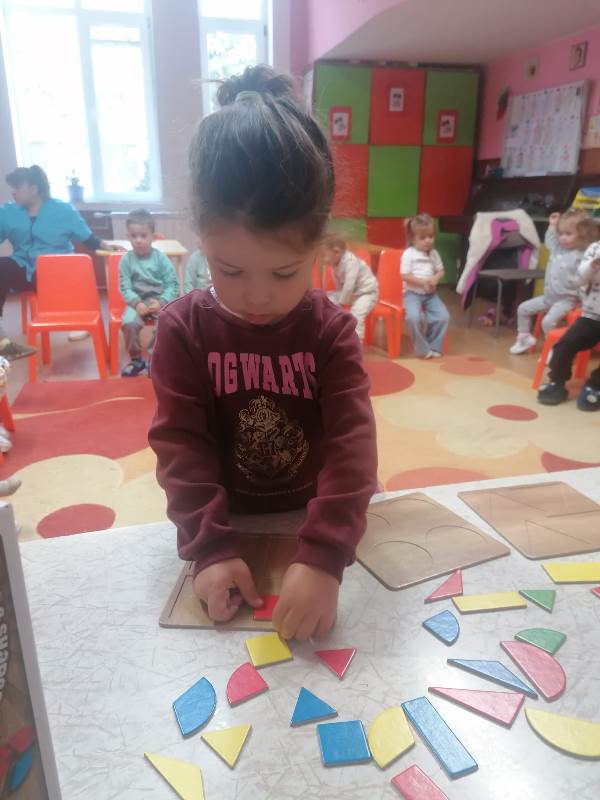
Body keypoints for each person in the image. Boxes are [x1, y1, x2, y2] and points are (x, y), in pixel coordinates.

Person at [148, 65, 378, 641]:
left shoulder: (331, 332)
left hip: (311, 522)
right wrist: (208, 547)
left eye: (283, 272)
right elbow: (181, 449)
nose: (257, 296)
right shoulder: (182, 331)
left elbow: (352, 448)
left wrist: (325, 554)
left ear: (320, 246)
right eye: (229, 270)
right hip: (225, 526)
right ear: (200, 236)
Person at [0, 165, 121, 359]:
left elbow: (87, 238)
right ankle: (2, 341)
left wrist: (105, 244)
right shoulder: (7, 212)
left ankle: (79, 320)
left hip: (55, 274)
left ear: (34, 188)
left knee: (64, 269)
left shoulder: (63, 210)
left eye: (18, 187)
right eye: (12, 187)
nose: (13, 192)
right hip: (23, 268)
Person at [509, 210, 596, 354]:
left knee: (547, 322)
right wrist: (552, 226)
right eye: (560, 234)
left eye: (568, 234)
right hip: (549, 297)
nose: (562, 238)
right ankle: (524, 338)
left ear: (582, 235)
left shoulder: (583, 255)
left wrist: (583, 299)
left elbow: (588, 278)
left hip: (567, 300)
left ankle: (556, 348)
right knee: (522, 309)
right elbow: (550, 239)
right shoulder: (557, 248)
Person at [538, 234, 600, 409]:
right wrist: (592, 265)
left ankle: (595, 386)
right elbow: (579, 279)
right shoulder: (595, 248)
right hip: (592, 316)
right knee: (564, 345)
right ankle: (557, 382)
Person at [118, 209, 179, 377]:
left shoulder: (161, 259)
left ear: (153, 236)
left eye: (143, 236)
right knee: (129, 323)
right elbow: (125, 287)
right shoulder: (126, 260)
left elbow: (173, 285)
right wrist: (137, 303)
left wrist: (162, 302)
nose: (138, 240)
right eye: (134, 236)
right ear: (128, 237)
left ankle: (155, 359)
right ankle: (136, 360)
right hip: (137, 302)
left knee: (166, 323)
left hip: (159, 301)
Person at [400, 213, 450, 358]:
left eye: (431, 236)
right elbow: (404, 275)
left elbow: (440, 271)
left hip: (430, 295)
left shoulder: (434, 253)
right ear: (412, 238)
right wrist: (423, 283)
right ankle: (422, 349)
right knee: (414, 318)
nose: (428, 240)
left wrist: (435, 279)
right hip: (412, 294)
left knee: (443, 317)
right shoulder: (408, 254)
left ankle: (434, 346)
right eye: (423, 238)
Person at [322, 235, 378, 342]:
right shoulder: (335, 263)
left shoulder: (351, 261)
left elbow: (349, 285)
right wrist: (335, 302)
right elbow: (339, 287)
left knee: (356, 316)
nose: (322, 259)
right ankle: (330, 336)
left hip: (366, 293)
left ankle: (356, 344)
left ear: (336, 252)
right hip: (351, 294)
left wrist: (341, 303)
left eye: (324, 255)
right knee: (325, 299)